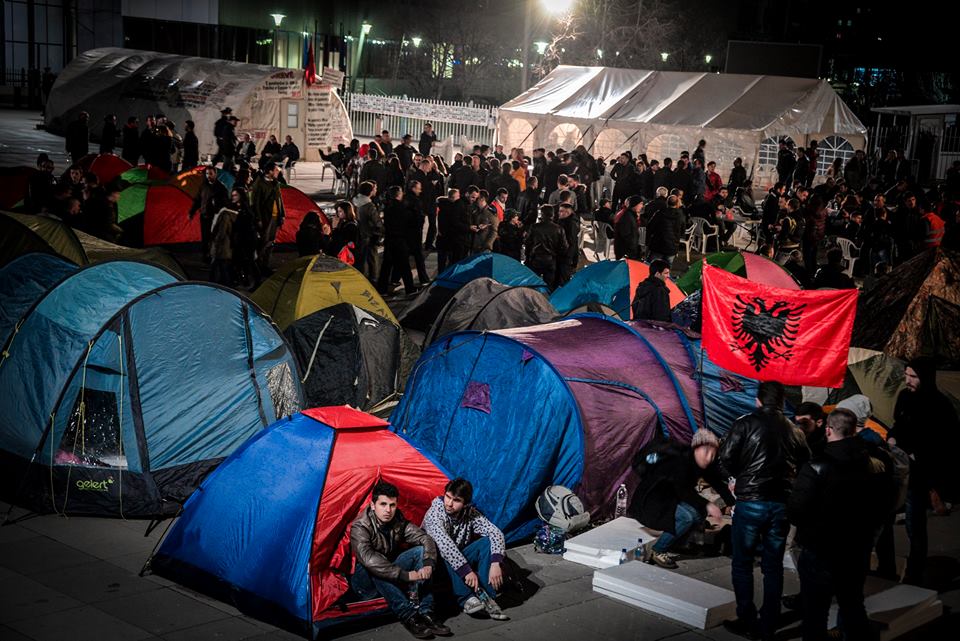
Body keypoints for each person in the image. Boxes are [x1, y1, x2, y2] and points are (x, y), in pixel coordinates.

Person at [789, 408, 890, 641]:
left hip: (821, 547)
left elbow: (796, 510)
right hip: (857, 546)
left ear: (828, 430)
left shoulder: (816, 465)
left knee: (815, 612)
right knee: (853, 604)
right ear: (854, 430)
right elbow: (883, 502)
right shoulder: (872, 461)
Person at [719, 381, 810, 641]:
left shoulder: (745, 423)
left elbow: (725, 456)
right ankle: (769, 621)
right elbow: (806, 462)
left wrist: (739, 476)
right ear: (781, 402)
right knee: (773, 566)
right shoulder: (794, 430)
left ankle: (746, 617)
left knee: (742, 563)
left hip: (750, 501)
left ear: (758, 400)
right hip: (780, 503)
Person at [889, 357, 960, 585]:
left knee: (915, 522)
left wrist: (917, 455)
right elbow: (898, 424)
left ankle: (916, 570)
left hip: (921, 473)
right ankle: (892, 566)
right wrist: (892, 437)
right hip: (900, 468)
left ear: (925, 378)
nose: (907, 380)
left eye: (913, 376)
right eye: (906, 375)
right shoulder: (904, 397)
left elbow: (945, 442)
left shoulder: (940, 405)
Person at [350, 480, 450, 639]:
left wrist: (429, 564)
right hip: (365, 585)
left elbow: (425, 538)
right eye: (383, 504)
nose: (388, 510)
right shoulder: (360, 526)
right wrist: (407, 575)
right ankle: (409, 616)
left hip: (391, 577)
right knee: (374, 564)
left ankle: (426, 612)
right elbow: (369, 559)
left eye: (392, 505)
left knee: (420, 551)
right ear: (373, 505)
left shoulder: (397, 520)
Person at [630, 430, 734, 569]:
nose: (709, 457)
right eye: (706, 451)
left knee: (699, 513)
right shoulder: (680, 460)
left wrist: (733, 504)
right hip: (650, 502)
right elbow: (683, 491)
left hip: (670, 499)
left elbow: (717, 483)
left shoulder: (702, 463)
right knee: (687, 517)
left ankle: (679, 544)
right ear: (697, 448)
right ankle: (658, 550)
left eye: (713, 454)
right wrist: (708, 504)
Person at [421, 478, 510, 621]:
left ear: (465, 503)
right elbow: (445, 545)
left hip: (459, 557)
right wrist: (467, 571)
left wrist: (495, 563)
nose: (449, 504)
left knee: (487, 542)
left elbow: (495, 533)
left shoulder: (470, 512)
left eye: (456, 500)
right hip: (436, 563)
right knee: (444, 551)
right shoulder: (435, 512)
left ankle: (485, 595)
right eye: (448, 497)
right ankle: (467, 598)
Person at [378, 185, 416, 295]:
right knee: (404, 265)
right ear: (399, 194)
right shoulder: (402, 208)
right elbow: (408, 223)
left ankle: (382, 289)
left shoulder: (388, 207)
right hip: (400, 239)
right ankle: (410, 288)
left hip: (390, 239)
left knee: (386, 266)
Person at [250, 162, 285, 273]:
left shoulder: (276, 183)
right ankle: (258, 266)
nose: (278, 172)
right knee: (263, 242)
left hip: (275, 217)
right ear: (269, 171)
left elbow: (280, 200)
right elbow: (256, 203)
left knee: (271, 242)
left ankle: (266, 264)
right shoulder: (259, 183)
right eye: (275, 170)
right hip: (265, 217)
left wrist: (282, 214)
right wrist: (259, 219)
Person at [524, 205, 567, 289]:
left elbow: (527, 242)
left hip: (536, 259)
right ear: (553, 214)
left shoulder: (534, 227)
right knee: (549, 285)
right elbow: (564, 246)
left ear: (542, 214)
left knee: (534, 284)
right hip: (551, 260)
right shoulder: (559, 229)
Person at [353, 181, 383, 281]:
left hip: (358, 234)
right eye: (374, 189)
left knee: (360, 259)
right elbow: (377, 223)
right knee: (372, 259)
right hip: (369, 235)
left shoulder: (355, 201)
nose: (376, 190)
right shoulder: (369, 206)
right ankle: (373, 279)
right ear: (370, 192)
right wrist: (380, 233)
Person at [646, 194, 685, 266]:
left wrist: (648, 240)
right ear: (677, 203)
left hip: (658, 245)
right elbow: (683, 231)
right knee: (667, 269)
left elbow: (650, 226)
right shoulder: (680, 216)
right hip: (672, 246)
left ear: (667, 202)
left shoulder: (660, 213)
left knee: (650, 266)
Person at [613, 195, 643, 260]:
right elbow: (626, 236)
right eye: (640, 204)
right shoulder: (627, 217)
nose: (642, 206)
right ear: (635, 205)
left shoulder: (631, 216)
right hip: (626, 253)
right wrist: (633, 252)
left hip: (629, 251)